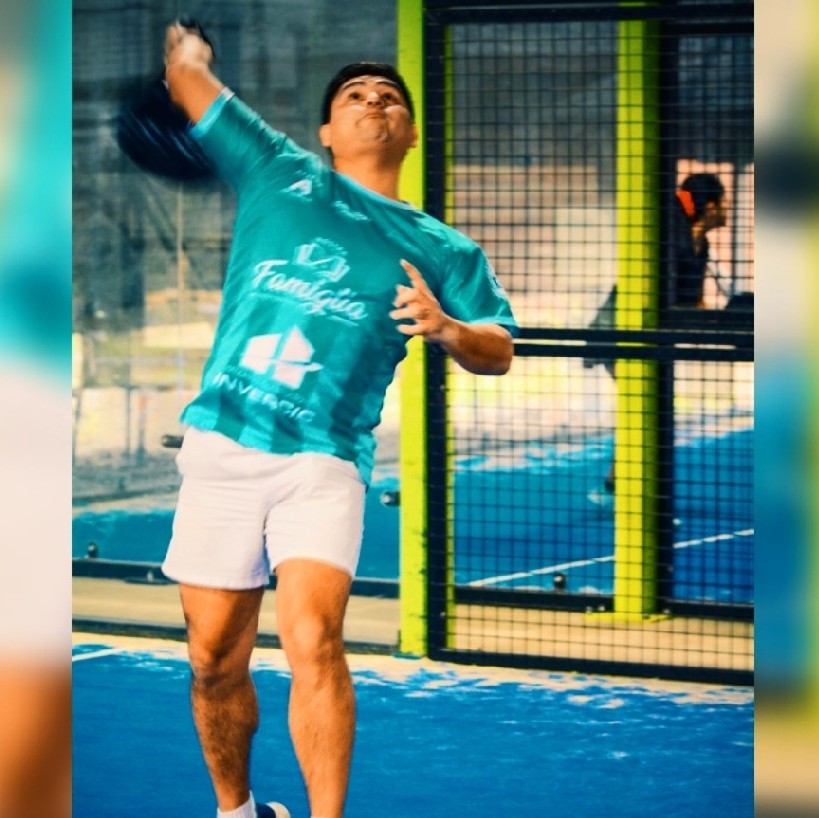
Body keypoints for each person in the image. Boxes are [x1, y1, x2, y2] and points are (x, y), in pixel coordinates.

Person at [159, 21, 517, 818]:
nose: (373, 102)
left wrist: (447, 328)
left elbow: (497, 348)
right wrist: (188, 52)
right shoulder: (276, 170)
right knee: (212, 658)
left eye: (390, 97)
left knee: (314, 639)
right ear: (325, 131)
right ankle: (237, 810)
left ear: (411, 133)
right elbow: (189, 82)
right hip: (222, 442)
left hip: (324, 459)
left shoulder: (444, 250)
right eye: (355, 95)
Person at [585, 173, 727, 504]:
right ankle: (625, 491)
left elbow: (695, 301)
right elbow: (659, 299)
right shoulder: (669, 240)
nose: (727, 210)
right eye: (724, 203)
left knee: (647, 409)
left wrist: (722, 322)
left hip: (649, 340)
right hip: (618, 333)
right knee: (645, 407)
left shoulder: (701, 246)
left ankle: (616, 486)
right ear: (709, 206)